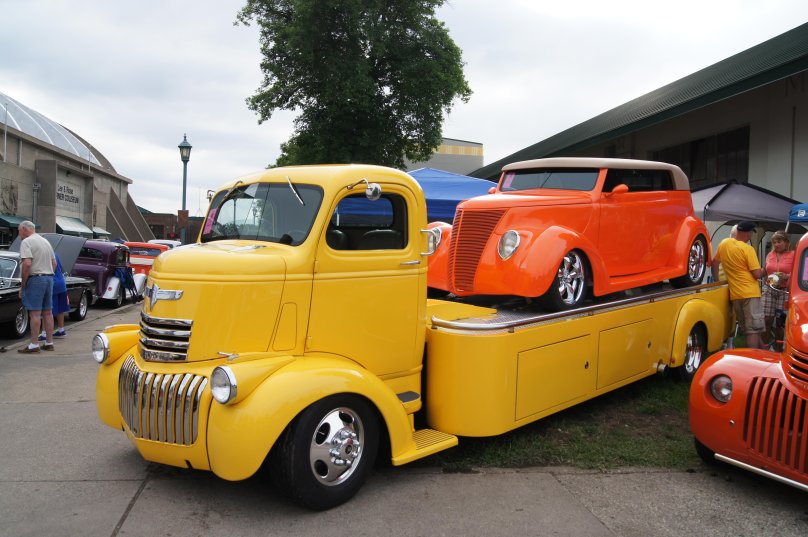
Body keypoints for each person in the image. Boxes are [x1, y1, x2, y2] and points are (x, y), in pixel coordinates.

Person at [711, 220, 766, 349]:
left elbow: (715, 262)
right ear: (748, 233)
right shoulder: (748, 249)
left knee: (751, 330)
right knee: (753, 330)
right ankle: (752, 357)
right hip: (750, 294)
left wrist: (717, 281)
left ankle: (763, 353)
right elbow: (757, 274)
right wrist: (767, 269)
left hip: (736, 295)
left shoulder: (724, 243)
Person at [17, 220, 56, 353]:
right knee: (48, 312)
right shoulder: (45, 241)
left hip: (35, 279)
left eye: (19, 231)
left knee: (35, 313)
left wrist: (23, 284)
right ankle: (49, 342)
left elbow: (27, 264)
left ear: (24, 229)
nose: (19, 234)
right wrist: (47, 274)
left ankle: (34, 344)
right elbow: (54, 263)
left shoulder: (26, 242)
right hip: (49, 278)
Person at [761, 230, 794, 346]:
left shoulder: (794, 254)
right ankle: (764, 348)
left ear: (786, 242)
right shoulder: (770, 255)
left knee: (780, 322)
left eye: (779, 242)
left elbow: (800, 271)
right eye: (774, 242)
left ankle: (779, 350)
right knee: (766, 320)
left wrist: (787, 276)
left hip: (784, 291)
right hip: (769, 289)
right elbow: (765, 270)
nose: (776, 244)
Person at [39, 254, 68, 341]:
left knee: (46, 310)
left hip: (53, 284)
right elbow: (60, 268)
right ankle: (61, 330)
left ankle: (44, 333)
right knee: (60, 309)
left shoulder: (44, 255)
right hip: (61, 283)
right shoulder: (55, 255)